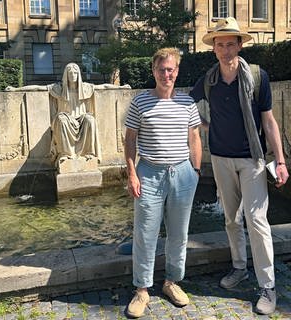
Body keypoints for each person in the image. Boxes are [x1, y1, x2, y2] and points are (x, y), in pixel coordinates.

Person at [190, 17, 289, 315]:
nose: (224, 50)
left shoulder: (257, 77)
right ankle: (239, 268)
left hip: (253, 159)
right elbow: (186, 105)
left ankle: (267, 286)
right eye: (219, 45)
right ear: (214, 48)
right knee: (231, 220)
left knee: (257, 221)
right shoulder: (208, 80)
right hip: (220, 158)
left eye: (230, 44)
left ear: (240, 45)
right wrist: (203, 125)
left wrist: (281, 161)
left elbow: (268, 121)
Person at [124, 47, 202, 318]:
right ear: (154, 72)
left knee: (179, 233)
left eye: (170, 69)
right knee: (145, 234)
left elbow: (194, 137)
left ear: (177, 71)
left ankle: (172, 281)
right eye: (161, 70)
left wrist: (196, 171)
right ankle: (142, 289)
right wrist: (132, 173)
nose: (166, 74)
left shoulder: (187, 103)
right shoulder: (140, 102)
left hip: (182, 173)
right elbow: (130, 139)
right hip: (149, 172)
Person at [6, 63, 130, 167]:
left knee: (90, 119)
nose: (73, 75)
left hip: (81, 119)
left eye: (75, 73)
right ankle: (66, 154)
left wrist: (121, 87)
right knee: (61, 119)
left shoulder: (86, 88)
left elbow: (103, 87)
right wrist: (16, 89)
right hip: (65, 118)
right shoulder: (58, 88)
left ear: (78, 75)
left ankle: (89, 152)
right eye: (70, 73)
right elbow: (38, 88)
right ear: (66, 75)